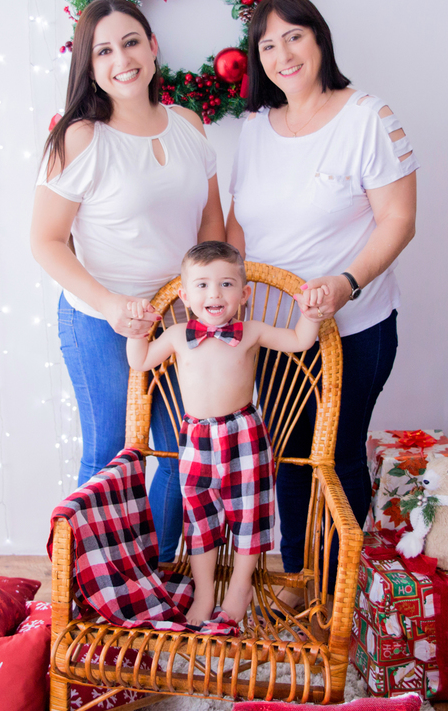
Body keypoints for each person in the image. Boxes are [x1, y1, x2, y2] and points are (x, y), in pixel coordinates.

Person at [226, 0, 418, 608]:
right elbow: (238, 228)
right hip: (276, 333)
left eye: (295, 37)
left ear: (320, 40)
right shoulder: (254, 131)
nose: (283, 54)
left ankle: (338, 602)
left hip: (353, 326)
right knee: (286, 456)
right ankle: (299, 585)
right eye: (268, 44)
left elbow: (397, 221)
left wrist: (345, 283)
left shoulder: (368, 117)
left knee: (332, 459)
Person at [30, 0, 225, 561]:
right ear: (90, 68)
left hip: (177, 322)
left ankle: (154, 572)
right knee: (111, 450)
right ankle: (87, 587)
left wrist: (205, 301)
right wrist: (112, 303)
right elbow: (44, 241)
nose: (123, 59)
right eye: (105, 50)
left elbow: (209, 225)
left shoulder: (189, 124)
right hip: (100, 320)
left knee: (178, 452)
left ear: (154, 47)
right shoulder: (81, 139)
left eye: (132, 42)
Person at [125, 241, 325, 625]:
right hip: (197, 439)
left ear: (245, 293)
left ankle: (238, 588)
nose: (214, 294)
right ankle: (203, 594)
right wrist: (139, 330)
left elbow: (301, 341)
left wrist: (311, 314)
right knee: (199, 518)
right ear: (184, 295)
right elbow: (140, 361)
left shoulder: (250, 331)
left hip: (244, 435)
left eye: (227, 284)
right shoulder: (178, 335)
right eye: (201, 285)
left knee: (248, 515)